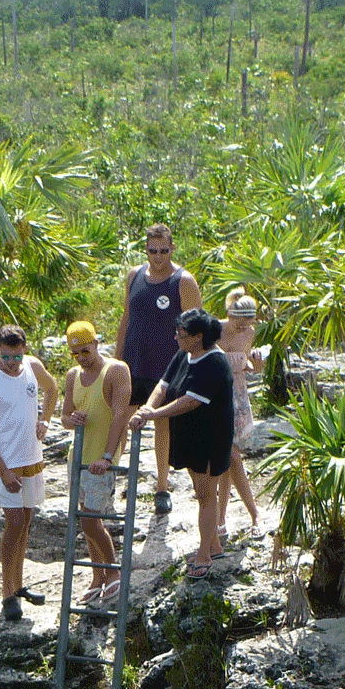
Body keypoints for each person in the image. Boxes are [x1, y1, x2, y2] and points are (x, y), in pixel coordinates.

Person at [132, 309, 233, 577]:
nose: (176, 337)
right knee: (200, 490)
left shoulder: (216, 362)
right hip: (189, 434)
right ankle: (213, 545)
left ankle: (204, 555)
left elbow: (191, 400)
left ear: (199, 336)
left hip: (210, 437)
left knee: (206, 494)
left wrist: (155, 414)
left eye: (182, 334)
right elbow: (163, 386)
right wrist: (147, 408)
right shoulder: (183, 355)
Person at [0, 325, 59, 624]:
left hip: (31, 456)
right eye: (6, 356)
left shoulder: (32, 366)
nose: (12, 362)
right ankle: (6, 594)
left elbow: (52, 389)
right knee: (14, 523)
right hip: (5, 461)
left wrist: (45, 420)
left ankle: (18, 585)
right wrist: (3, 469)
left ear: (24, 349)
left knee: (27, 521)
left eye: (16, 356)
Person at [113, 223, 202, 516]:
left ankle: (161, 487)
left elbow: (197, 328)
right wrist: (115, 362)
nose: (158, 256)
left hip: (166, 367)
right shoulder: (134, 276)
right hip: (132, 362)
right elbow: (126, 319)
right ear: (146, 249)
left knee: (161, 423)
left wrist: (193, 367)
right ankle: (109, 477)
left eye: (164, 250)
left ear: (172, 248)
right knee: (120, 418)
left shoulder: (183, 281)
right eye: (153, 251)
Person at [57, 320, 133, 606]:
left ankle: (112, 569)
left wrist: (108, 457)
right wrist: (71, 419)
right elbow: (64, 417)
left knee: (90, 519)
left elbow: (119, 415)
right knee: (86, 519)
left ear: (96, 343)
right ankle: (97, 575)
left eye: (85, 351)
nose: (81, 358)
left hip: (101, 458)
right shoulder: (72, 375)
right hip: (77, 458)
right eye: (75, 354)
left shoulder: (115, 370)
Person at [219, 288, 265, 534]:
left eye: (248, 322)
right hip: (215, 396)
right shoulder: (213, 330)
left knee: (229, 458)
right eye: (239, 321)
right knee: (231, 456)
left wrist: (256, 365)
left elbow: (243, 363)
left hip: (237, 395)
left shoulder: (249, 333)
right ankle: (253, 514)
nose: (243, 327)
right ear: (229, 314)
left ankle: (221, 519)